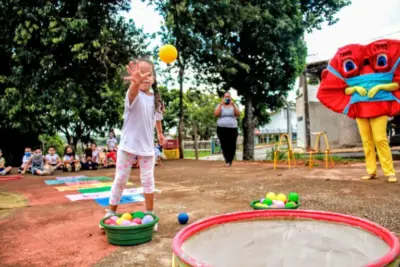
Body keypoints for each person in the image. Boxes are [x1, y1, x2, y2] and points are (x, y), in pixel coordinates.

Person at [100, 58, 165, 231]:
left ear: (154, 78)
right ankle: (111, 212)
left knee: (148, 181)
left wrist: (160, 133)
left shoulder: (157, 100)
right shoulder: (133, 95)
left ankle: (149, 213)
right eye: (140, 73)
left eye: (148, 74)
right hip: (127, 146)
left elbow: (157, 118)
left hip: (147, 148)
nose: (144, 77)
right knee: (120, 179)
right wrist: (134, 84)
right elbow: (132, 93)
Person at [214, 91, 240, 167]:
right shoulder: (220, 105)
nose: (227, 98)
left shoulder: (234, 105)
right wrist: (221, 104)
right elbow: (216, 114)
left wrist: (233, 104)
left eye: (228, 97)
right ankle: (227, 160)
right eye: (226, 97)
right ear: (223, 97)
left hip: (232, 128)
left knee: (232, 144)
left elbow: (238, 114)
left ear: (230, 97)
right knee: (224, 144)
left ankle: (230, 160)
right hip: (221, 128)